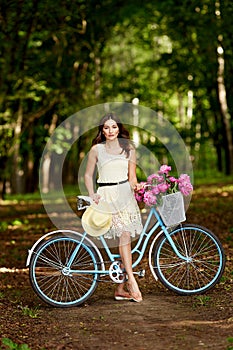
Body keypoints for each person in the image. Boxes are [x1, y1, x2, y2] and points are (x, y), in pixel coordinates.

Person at [84, 112, 143, 302]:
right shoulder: (96, 149)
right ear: (102, 130)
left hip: (125, 193)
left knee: (124, 237)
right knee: (124, 235)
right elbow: (87, 175)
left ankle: (119, 288)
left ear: (119, 128)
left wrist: (138, 186)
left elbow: (132, 177)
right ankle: (132, 281)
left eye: (114, 127)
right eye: (107, 127)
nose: (111, 131)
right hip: (106, 195)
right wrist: (92, 193)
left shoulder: (129, 148)